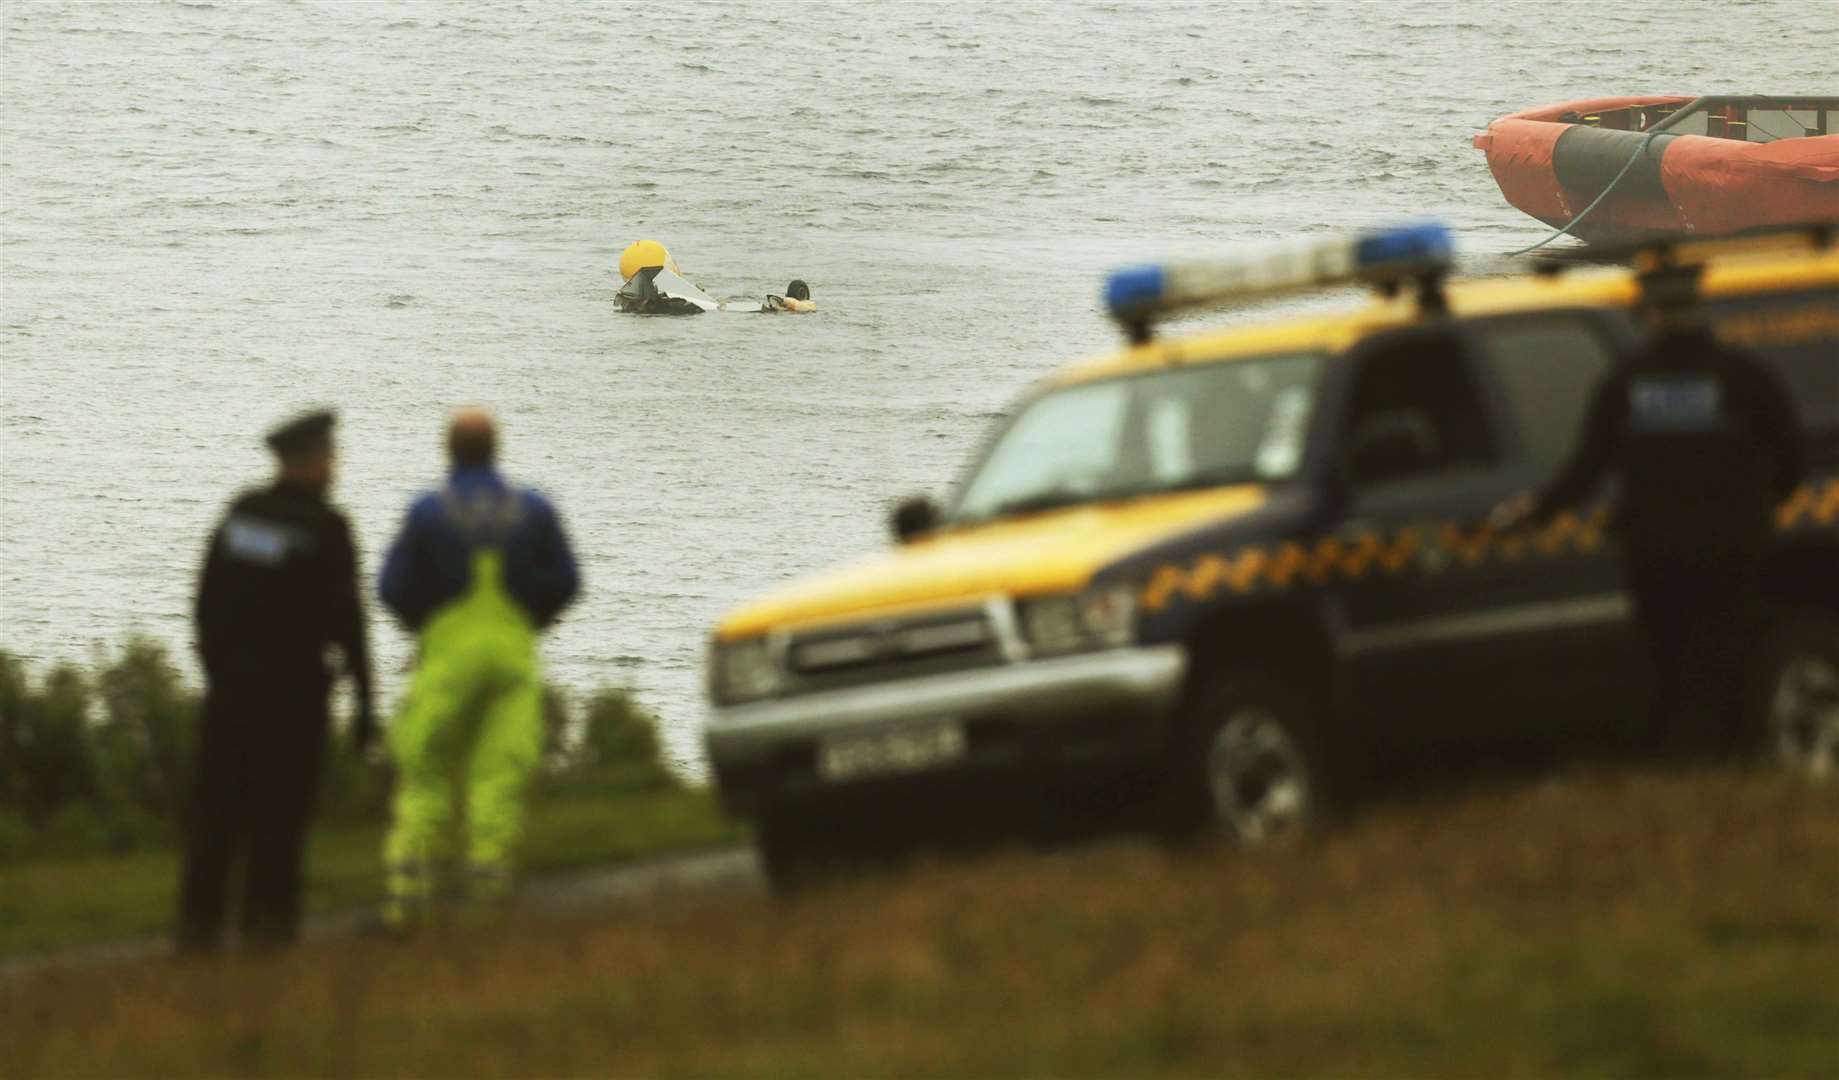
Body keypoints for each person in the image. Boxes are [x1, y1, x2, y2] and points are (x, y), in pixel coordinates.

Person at [1492, 265, 1806, 756]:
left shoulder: (1624, 385)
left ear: (1651, 313)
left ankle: (1678, 759)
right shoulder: (1746, 377)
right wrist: (1756, 512)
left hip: (1655, 553)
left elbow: (1586, 469)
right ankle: (1732, 758)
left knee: (1668, 660)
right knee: (1728, 655)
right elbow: (1792, 459)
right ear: (1697, 308)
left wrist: (1533, 512)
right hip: (1732, 548)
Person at [376, 407, 581, 927]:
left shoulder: (429, 511)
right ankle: (488, 896)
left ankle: (409, 898)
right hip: (512, 654)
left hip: (447, 655)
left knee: (426, 771)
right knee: (498, 777)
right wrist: (529, 619)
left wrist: (427, 623)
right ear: (497, 449)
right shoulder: (531, 509)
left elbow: (391, 587)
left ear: (449, 451)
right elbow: (566, 580)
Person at [180, 409, 375, 953]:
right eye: (329, 457)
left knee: (215, 820)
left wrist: (219, 671)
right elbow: (348, 621)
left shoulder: (243, 514)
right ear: (312, 463)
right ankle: (268, 940)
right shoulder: (327, 528)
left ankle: (196, 938)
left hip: (233, 694)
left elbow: (206, 602)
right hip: (295, 699)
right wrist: (364, 700)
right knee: (280, 823)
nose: (334, 466)